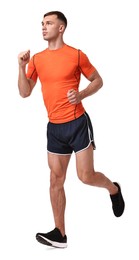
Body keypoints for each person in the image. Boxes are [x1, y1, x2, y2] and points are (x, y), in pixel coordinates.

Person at [18, 11, 125, 248]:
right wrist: (21, 66)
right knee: (56, 179)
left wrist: (81, 95)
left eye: (48, 23)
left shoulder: (76, 55)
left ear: (61, 28)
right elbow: (25, 92)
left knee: (85, 176)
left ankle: (113, 189)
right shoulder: (36, 59)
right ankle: (60, 234)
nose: (43, 27)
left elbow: (98, 80)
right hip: (54, 128)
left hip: (77, 124)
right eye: (42, 24)